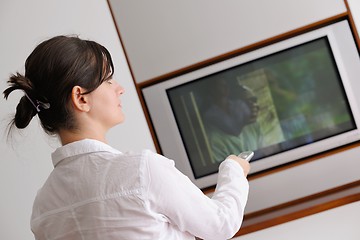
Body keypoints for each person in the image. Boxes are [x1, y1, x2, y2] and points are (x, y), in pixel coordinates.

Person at [3, 35, 250, 240]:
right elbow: (220, 224)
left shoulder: (43, 207)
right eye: (107, 80)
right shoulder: (143, 171)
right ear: (81, 98)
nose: (119, 87)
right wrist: (234, 169)